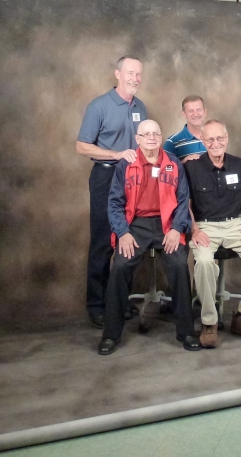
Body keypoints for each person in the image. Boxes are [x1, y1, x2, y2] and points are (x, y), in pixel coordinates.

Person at [99, 120, 201, 355]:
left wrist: (177, 228)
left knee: (178, 265)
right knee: (120, 266)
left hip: (167, 225)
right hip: (136, 225)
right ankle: (110, 334)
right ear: (138, 139)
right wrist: (123, 232)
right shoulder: (126, 164)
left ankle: (186, 331)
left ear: (160, 137)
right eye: (146, 134)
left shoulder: (173, 163)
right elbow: (114, 203)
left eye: (156, 133)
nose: (152, 138)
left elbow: (183, 200)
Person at [186, 120, 241, 349]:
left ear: (227, 138)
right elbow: (184, 204)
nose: (216, 143)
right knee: (203, 262)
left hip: (236, 226)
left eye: (220, 138)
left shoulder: (240, 165)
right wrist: (194, 229)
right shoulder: (192, 167)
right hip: (205, 227)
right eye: (210, 139)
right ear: (203, 142)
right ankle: (209, 322)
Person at [76, 56, 147, 330]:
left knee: (128, 240)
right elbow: (82, 146)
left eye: (139, 74)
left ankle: (117, 300)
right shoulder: (100, 105)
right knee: (104, 242)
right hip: (107, 176)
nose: (135, 78)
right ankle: (96, 305)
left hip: (134, 180)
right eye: (130, 73)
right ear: (118, 74)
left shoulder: (141, 107)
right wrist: (116, 154)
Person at [163, 95, 208, 162]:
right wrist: (184, 162)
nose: (195, 114)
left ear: (205, 112)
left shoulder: (215, 138)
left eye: (199, 110)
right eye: (191, 111)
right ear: (184, 114)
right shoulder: (172, 142)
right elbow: (165, 170)